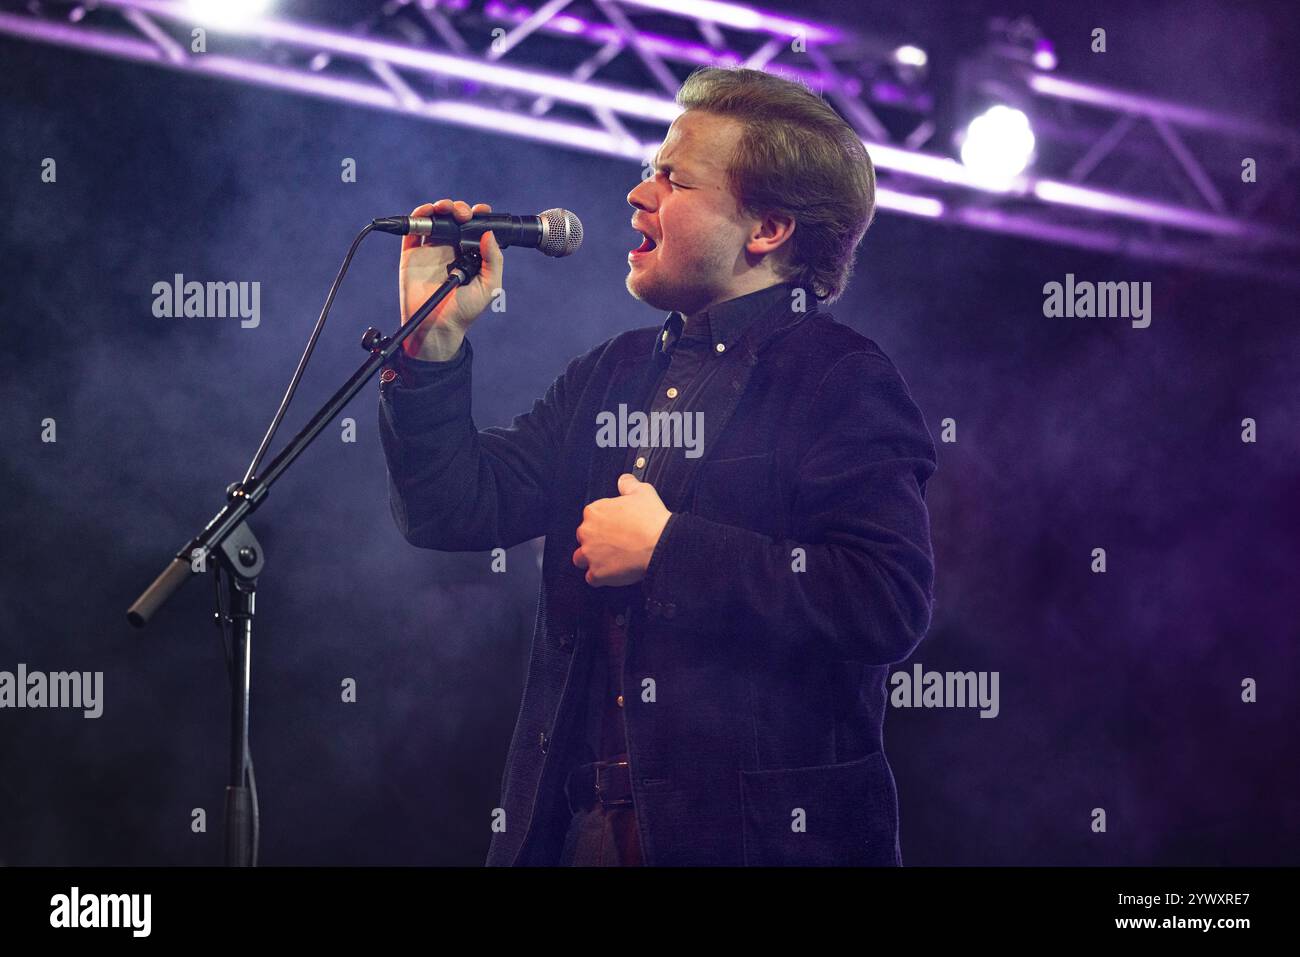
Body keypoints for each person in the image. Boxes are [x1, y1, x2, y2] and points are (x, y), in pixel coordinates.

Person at [377, 66, 937, 866]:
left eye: (673, 178)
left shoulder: (840, 377)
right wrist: (431, 340)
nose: (640, 194)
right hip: (581, 835)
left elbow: (885, 601)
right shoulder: (614, 371)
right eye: (649, 170)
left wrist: (670, 550)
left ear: (768, 229)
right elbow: (455, 508)